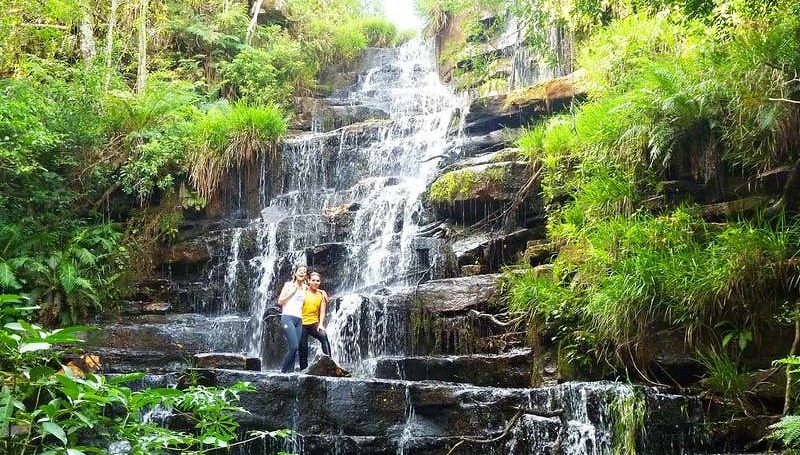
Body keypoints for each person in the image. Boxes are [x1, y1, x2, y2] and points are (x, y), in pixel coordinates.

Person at [277, 265, 308, 373]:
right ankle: (283, 371)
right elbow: (280, 302)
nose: (302, 272)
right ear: (295, 273)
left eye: (304, 271)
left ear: (305, 276)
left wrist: (322, 293)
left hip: (299, 320)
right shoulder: (288, 285)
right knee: (294, 346)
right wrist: (292, 293)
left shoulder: (305, 287)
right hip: (287, 317)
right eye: (300, 270)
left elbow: (314, 292)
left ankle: (289, 373)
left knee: (295, 348)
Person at [299, 271, 331, 370]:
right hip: (301, 322)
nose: (315, 282)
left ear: (320, 282)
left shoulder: (321, 295)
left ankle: (330, 364)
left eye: (317, 281)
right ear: (308, 281)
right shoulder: (303, 291)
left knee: (324, 336)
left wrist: (320, 324)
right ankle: (303, 369)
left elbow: (322, 311)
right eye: (313, 280)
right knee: (303, 347)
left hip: (313, 323)